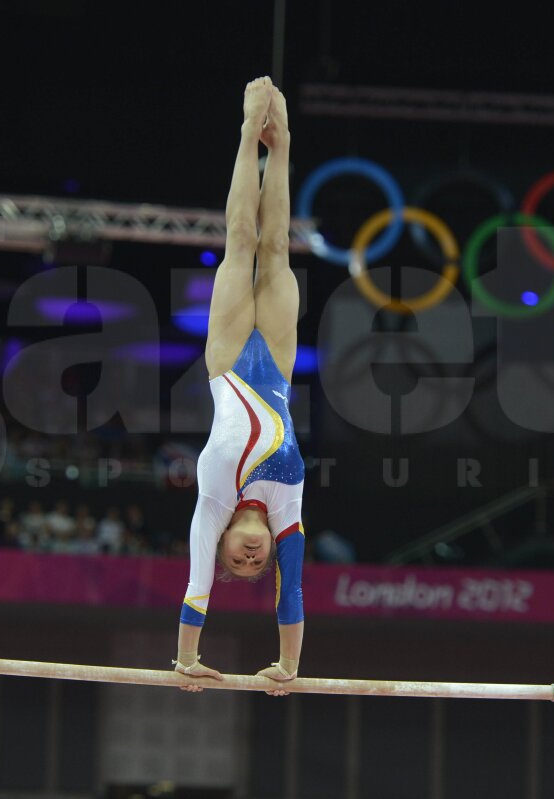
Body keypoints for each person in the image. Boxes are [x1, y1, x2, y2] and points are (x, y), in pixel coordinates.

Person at [173, 78, 304, 696]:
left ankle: (248, 132)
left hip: (227, 364)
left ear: (224, 541)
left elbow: (197, 585)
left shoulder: (211, 506)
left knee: (241, 242)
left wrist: (185, 658)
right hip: (275, 367)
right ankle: (280, 149)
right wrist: (289, 666)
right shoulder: (286, 513)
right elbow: (294, 589)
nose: (251, 558)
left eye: (237, 560)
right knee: (276, 247)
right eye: (258, 563)